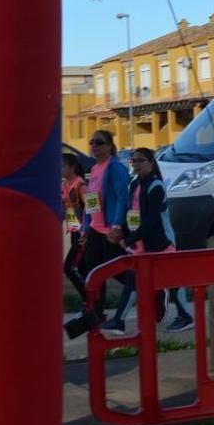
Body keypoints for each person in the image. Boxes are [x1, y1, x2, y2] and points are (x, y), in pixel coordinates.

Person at [104, 147, 171, 334]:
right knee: (132, 282)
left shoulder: (156, 186)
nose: (136, 164)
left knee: (166, 285)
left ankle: (166, 300)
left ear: (151, 162)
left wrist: (130, 239)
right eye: (134, 161)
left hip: (158, 243)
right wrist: (121, 232)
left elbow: (151, 221)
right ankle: (119, 321)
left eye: (141, 160)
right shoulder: (134, 184)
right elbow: (131, 213)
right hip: (139, 243)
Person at [79, 130, 131, 321]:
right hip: (95, 228)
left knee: (118, 270)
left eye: (99, 143)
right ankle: (97, 312)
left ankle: (147, 289)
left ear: (110, 146)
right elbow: (90, 200)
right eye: (92, 142)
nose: (94, 146)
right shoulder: (94, 169)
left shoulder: (115, 168)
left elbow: (122, 198)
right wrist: (85, 226)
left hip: (110, 229)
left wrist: (117, 225)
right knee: (92, 271)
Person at [61, 152, 88, 301]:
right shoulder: (63, 185)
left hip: (82, 233)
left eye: (63, 165)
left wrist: (87, 230)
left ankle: (89, 298)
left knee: (69, 267)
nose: (60, 168)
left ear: (73, 167)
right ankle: (91, 304)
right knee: (82, 269)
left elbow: (93, 207)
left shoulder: (81, 185)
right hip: (73, 231)